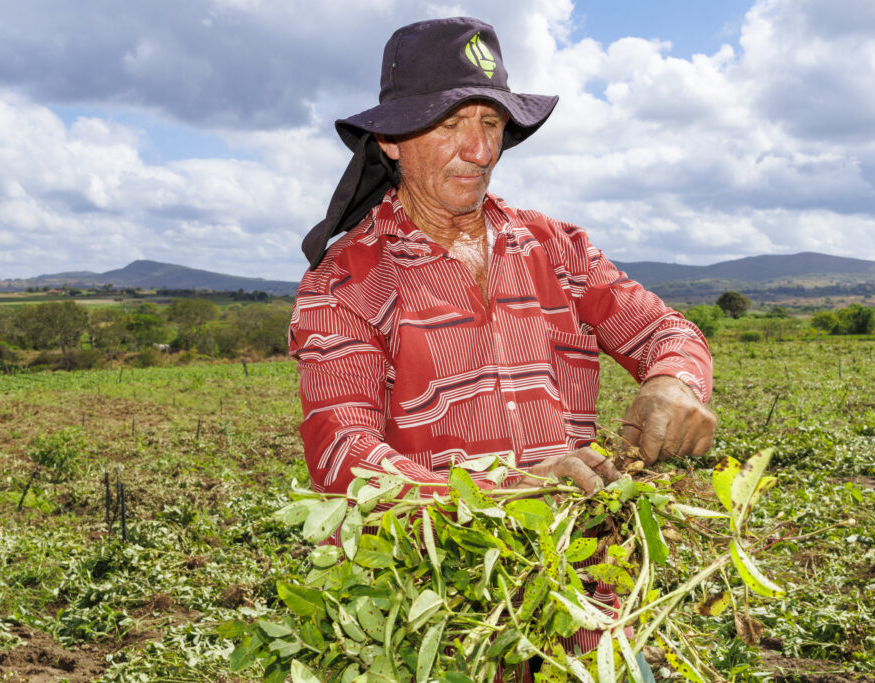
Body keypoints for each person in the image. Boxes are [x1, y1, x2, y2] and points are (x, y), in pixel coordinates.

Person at [289, 14, 716, 660]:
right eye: (451, 125)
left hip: (581, 600)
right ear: (392, 139)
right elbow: (346, 458)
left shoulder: (557, 249)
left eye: (490, 125)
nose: (480, 149)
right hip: (437, 621)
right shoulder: (346, 283)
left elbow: (662, 329)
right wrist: (512, 493)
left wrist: (673, 380)